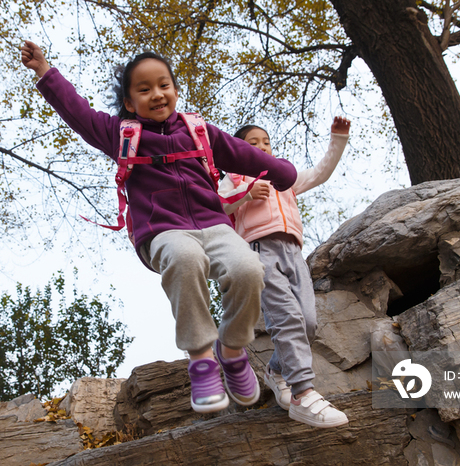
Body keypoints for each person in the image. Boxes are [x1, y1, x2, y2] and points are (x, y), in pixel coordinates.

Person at [20, 41, 298, 414]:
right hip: (163, 231)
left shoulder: (200, 131)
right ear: (130, 102)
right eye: (144, 88)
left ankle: (231, 351)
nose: (157, 94)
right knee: (185, 259)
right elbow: (79, 112)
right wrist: (45, 72)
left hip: (215, 225)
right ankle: (201, 358)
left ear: (175, 90)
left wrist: (283, 172)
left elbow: (242, 153)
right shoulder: (121, 133)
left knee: (249, 268)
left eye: (163, 85)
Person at [218, 118, 351, 428]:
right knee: (287, 318)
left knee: (308, 322)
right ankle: (303, 393)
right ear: (239, 151)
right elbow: (216, 206)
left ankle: (277, 370)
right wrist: (247, 194)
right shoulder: (235, 178)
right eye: (253, 143)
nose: (262, 147)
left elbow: (320, 172)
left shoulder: (283, 178)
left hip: (294, 253)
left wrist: (338, 138)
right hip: (259, 251)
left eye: (265, 141)